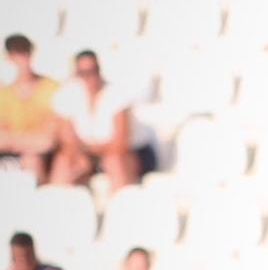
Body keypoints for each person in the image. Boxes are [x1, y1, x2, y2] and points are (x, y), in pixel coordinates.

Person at [50, 51, 155, 190]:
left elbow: (120, 143)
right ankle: (56, 203)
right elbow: (67, 140)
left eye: (93, 71)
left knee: (114, 162)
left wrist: (89, 149)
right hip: (91, 155)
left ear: (99, 70)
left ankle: (121, 207)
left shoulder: (116, 94)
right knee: (64, 162)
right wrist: (82, 155)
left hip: (129, 154)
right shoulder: (69, 95)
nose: (89, 77)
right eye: (83, 72)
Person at [0, 34, 59, 182]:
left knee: (32, 160)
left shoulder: (51, 88)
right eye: (16, 54)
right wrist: (28, 141)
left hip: (41, 159)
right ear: (9, 58)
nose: (21, 60)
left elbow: (48, 141)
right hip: (10, 157)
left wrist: (13, 141)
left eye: (24, 53)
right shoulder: (4, 94)